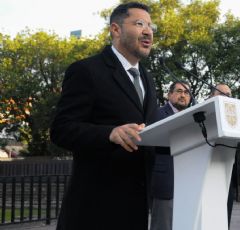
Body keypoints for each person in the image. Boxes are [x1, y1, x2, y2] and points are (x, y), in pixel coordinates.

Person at [50, 2, 158, 229]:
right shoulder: (87, 70)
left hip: (136, 209)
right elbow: (61, 129)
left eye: (150, 25)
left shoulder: (147, 79)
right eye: (139, 24)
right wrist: (109, 133)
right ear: (116, 30)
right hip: (94, 212)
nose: (148, 31)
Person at [150, 81, 191, 230]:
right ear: (169, 95)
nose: (183, 95)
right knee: (163, 225)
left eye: (186, 93)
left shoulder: (193, 116)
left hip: (189, 181)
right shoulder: (157, 114)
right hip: (166, 180)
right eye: (179, 91)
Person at [210, 83, 235, 227]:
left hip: (227, 172)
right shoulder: (204, 113)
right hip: (208, 171)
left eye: (229, 95)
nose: (226, 97)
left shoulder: (233, 116)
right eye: (222, 93)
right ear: (212, 96)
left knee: (226, 217)